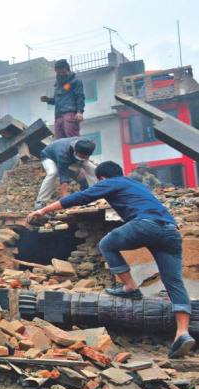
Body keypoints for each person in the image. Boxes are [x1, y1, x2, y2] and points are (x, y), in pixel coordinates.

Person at [27, 161, 193, 358]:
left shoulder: (111, 182)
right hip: (171, 230)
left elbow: (80, 197)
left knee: (107, 243)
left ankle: (130, 287)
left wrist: (43, 210)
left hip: (146, 225)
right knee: (174, 282)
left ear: (102, 179)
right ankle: (183, 332)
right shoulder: (138, 185)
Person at [33, 137, 97, 209]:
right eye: (82, 156)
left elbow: (86, 157)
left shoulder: (88, 144)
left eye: (86, 156)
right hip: (49, 156)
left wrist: (83, 167)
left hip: (72, 158)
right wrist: (64, 199)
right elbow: (63, 176)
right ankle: (41, 202)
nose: (84, 157)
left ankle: (95, 196)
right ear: (75, 150)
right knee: (53, 172)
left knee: (93, 169)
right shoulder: (62, 154)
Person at [40, 59, 85, 139]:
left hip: (70, 114)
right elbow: (56, 100)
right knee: (59, 142)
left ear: (68, 71)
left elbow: (80, 97)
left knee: (72, 138)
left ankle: (78, 151)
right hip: (58, 117)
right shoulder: (58, 85)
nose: (61, 74)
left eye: (63, 72)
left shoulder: (76, 81)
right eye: (59, 73)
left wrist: (79, 112)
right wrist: (47, 100)